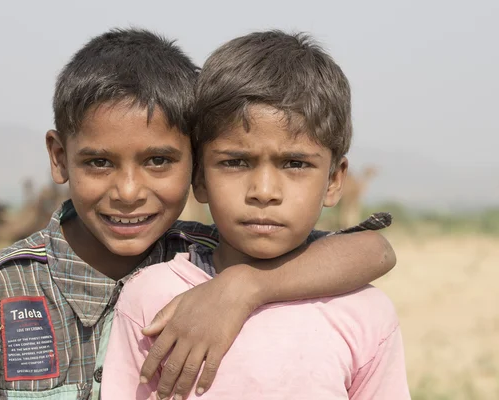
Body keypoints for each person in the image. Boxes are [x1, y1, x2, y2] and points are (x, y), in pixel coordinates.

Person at [0, 29, 397, 400]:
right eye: (99, 162)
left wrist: (245, 286)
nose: (128, 193)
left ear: (195, 164)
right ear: (59, 157)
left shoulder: (205, 255)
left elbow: (372, 249)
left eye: (158, 161)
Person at [102, 30, 410, 399]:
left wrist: (246, 287)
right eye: (235, 162)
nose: (263, 191)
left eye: (295, 163)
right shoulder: (152, 297)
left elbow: (377, 249)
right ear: (198, 177)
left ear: (333, 180)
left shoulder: (364, 313)